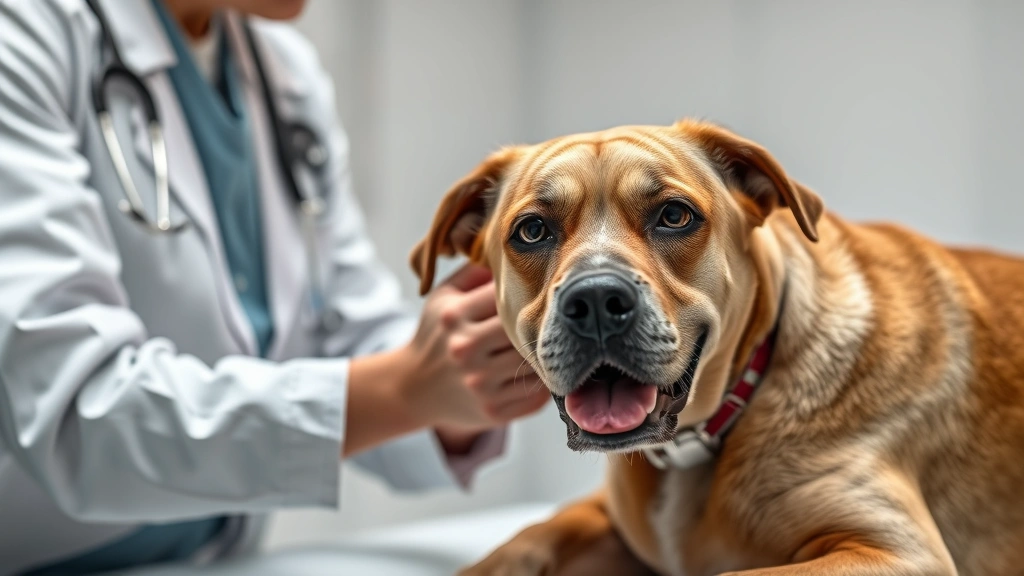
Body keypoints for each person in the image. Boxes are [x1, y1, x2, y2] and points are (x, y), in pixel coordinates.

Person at [0, 0, 549, 573]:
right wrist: (405, 388)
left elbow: (353, 334)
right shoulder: (24, 34)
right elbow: (73, 414)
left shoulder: (281, 68)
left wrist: (463, 384)